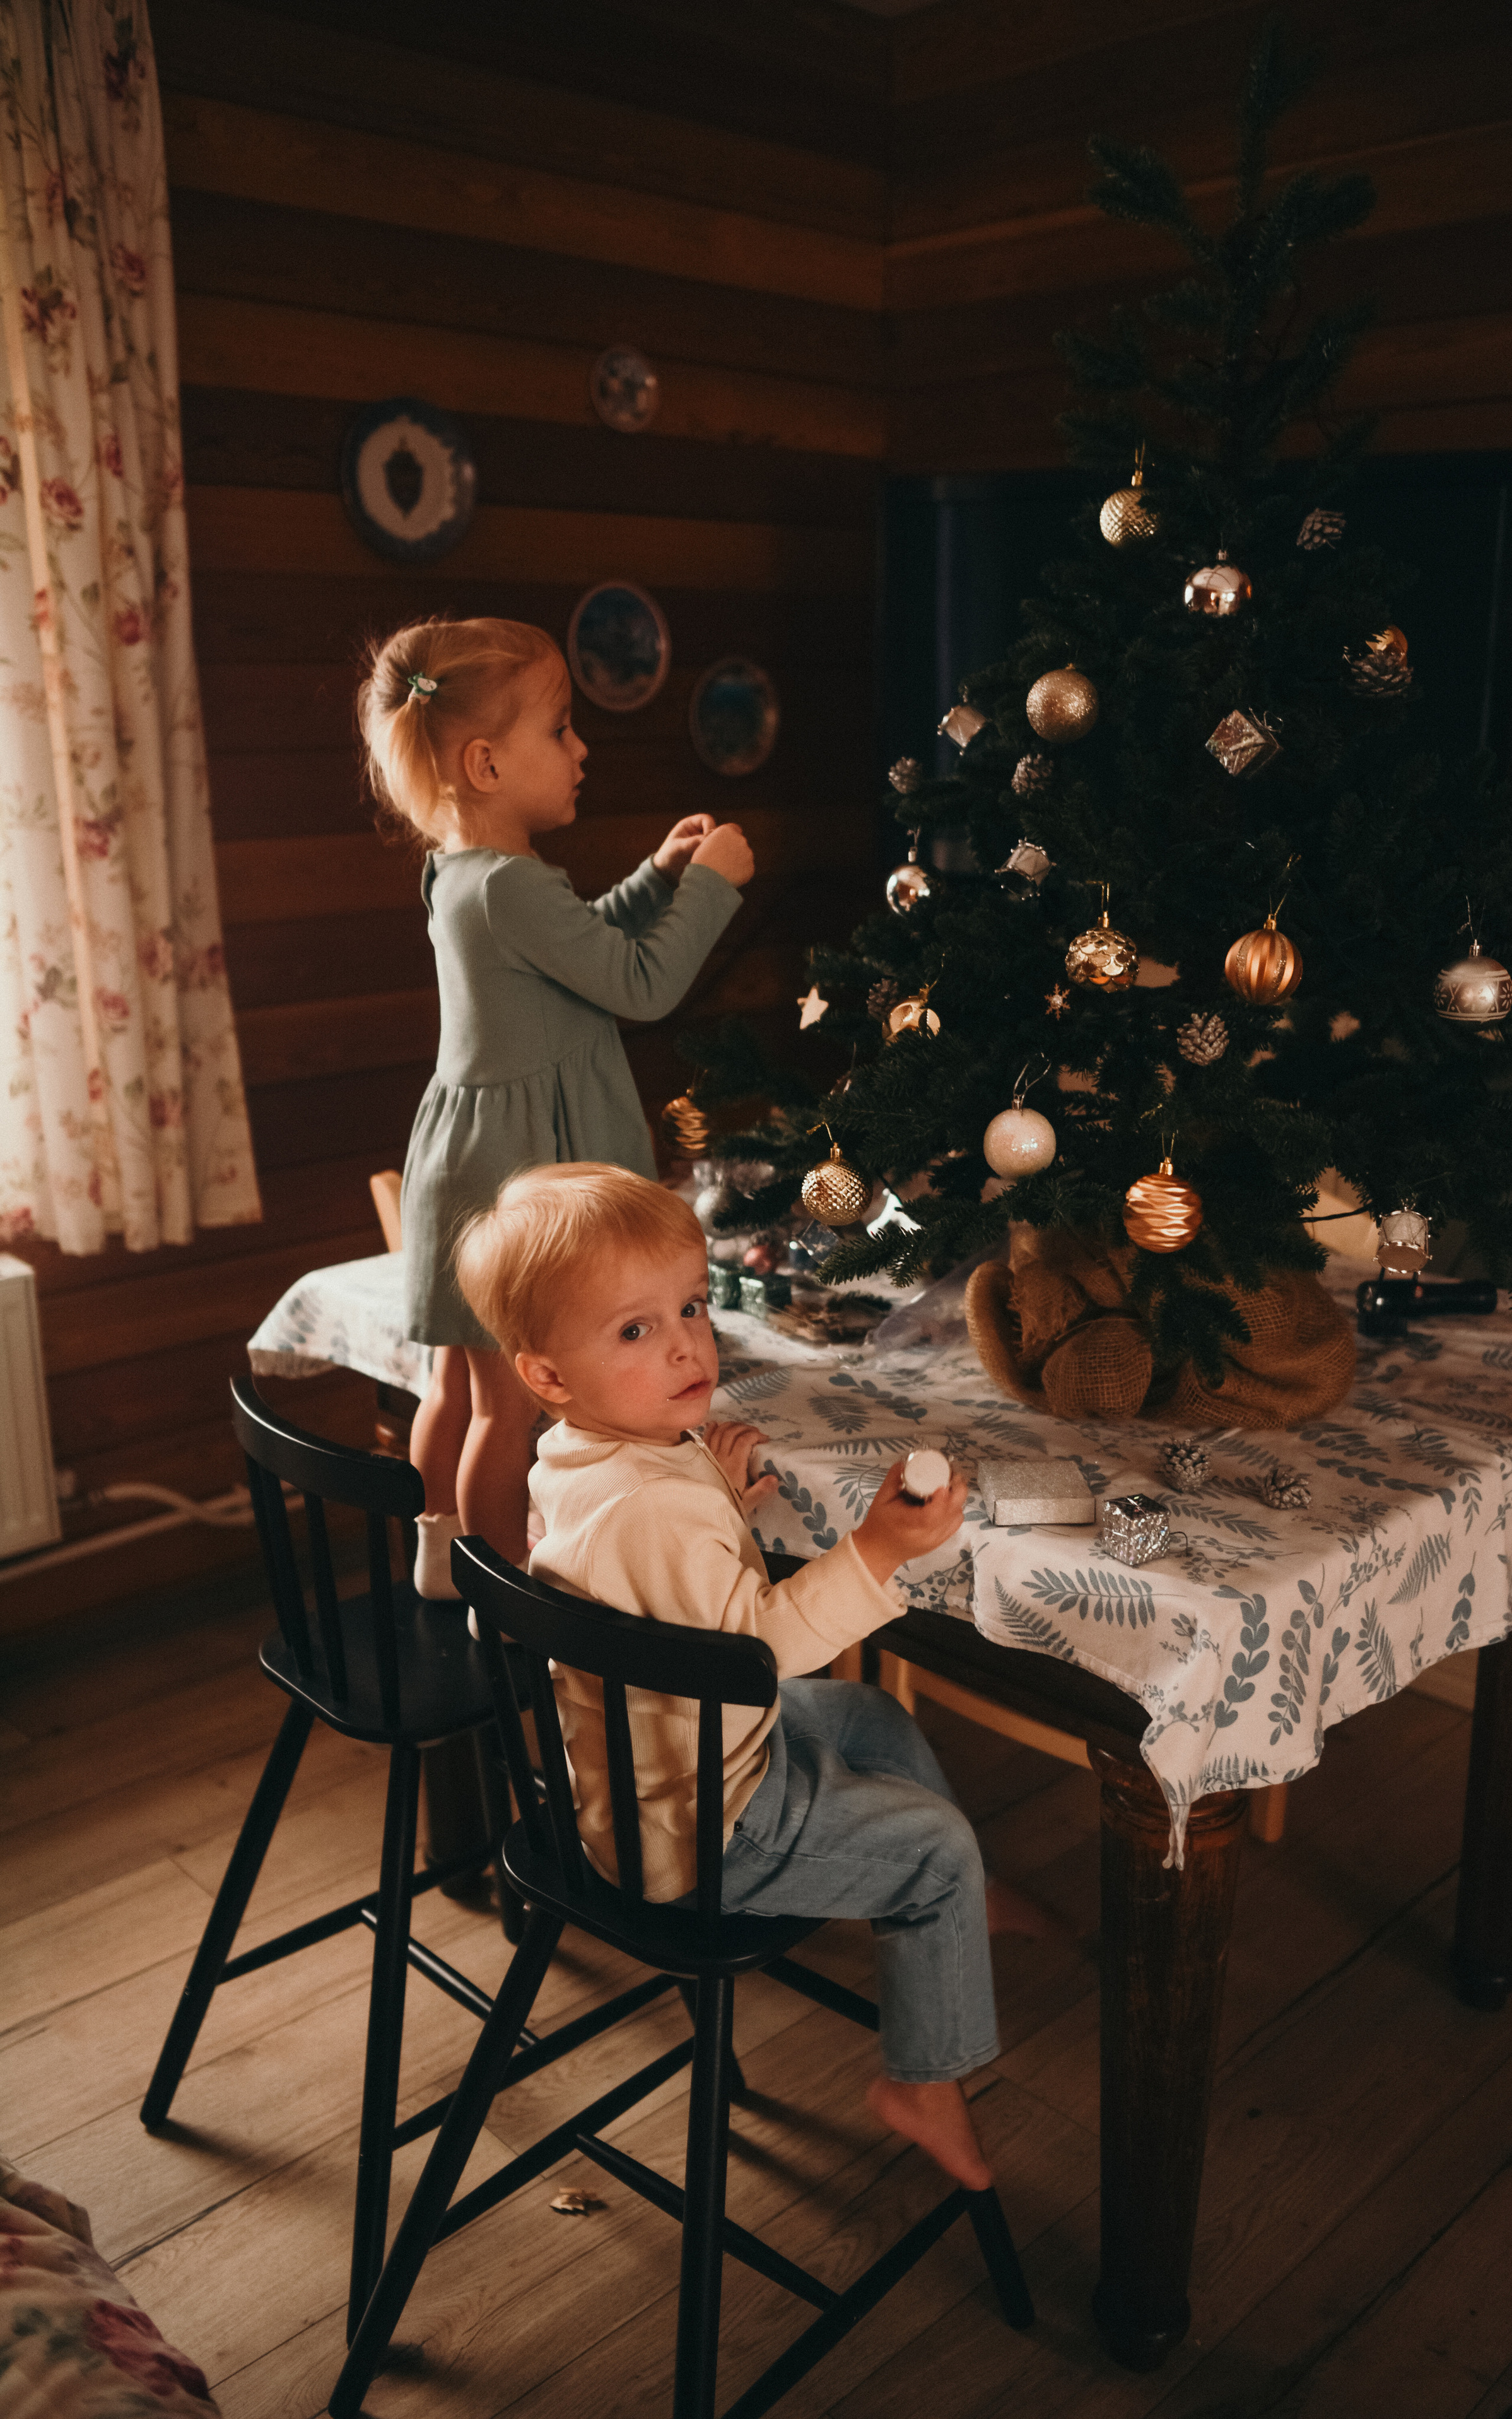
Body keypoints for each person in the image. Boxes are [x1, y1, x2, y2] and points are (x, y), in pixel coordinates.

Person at [455, 1160, 1045, 2192]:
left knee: (866, 1718)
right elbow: (759, 1652)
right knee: (933, 1844)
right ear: (547, 1374)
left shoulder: (582, 1453)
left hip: (639, 1775)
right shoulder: (656, 1505)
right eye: (635, 1331)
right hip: (707, 1826)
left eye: (689, 1305)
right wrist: (874, 1550)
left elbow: (658, 1581)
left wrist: (711, 1482)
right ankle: (926, 2077)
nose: (688, 1342)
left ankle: (966, 1909)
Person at [357, 616, 753, 1586]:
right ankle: (503, 1594)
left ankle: (437, 1559)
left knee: (455, 1384)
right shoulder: (508, 887)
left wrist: (657, 878)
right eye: (561, 730)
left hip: (466, 1163)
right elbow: (641, 985)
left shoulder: (469, 874)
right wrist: (711, 889)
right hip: (515, 1176)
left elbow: (577, 952)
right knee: (506, 1408)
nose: (582, 750)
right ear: (487, 763)